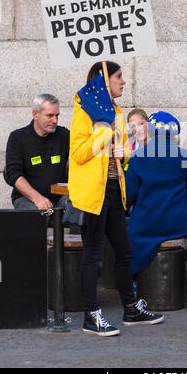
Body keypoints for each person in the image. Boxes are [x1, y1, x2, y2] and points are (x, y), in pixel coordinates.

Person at [68, 61, 164, 337]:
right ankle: (91, 316)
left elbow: (119, 158)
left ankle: (131, 309)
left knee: (124, 251)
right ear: (103, 81)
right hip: (91, 194)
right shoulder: (84, 111)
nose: (123, 82)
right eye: (119, 77)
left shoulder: (117, 113)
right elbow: (78, 153)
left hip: (113, 190)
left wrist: (124, 153)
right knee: (93, 255)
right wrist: (105, 132)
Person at [125, 111, 187, 276]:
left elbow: (130, 195)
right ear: (174, 133)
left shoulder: (137, 157)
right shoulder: (185, 156)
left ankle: (137, 280)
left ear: (151, 131)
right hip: (178, 222)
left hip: (146, 224)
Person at [5, 94, 69, 211]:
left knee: (80, 204)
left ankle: (77, 231)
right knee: (33, 214)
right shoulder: (18, 138)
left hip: (61, 199)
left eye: (57, 115)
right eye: (50, 115)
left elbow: (82, 155)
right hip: (27, 199)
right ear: (35, 114)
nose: (55, 120)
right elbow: (13, 173)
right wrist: (37, 198)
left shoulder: (64, 135)